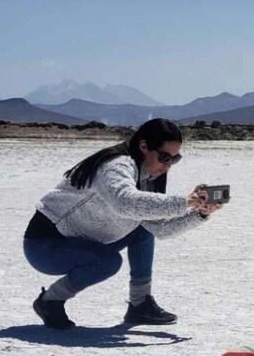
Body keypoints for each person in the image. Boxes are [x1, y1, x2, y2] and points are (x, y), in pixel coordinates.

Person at [23, 118, 223, 329]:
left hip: (85, 243)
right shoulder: (116, 165)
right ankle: (50, 301)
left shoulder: (147, 176)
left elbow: (161, 228)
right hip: (45, 246)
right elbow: (125, 202)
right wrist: (185, 202)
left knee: (143, 230)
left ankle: (140, 304)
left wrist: (199, 214)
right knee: (108, 262)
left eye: (175, 159)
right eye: (164, 157)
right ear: (144, 146)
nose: (167, 165)